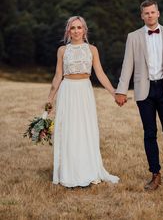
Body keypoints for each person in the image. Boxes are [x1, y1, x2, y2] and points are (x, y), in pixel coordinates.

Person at [115, 0, 163, 193]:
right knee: (150, 134)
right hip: (144, 91)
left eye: (152, 12)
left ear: (158, 13)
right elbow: (127, 64)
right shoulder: (133, 37)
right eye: (146, 13)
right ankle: (155, 175)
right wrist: (121, 90)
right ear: (142, 16)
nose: (149, 15)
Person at [46, 15, 119, 188]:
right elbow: (58, 75)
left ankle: (88, 170)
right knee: (69, 130)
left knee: (85, 130)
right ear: (68, 31)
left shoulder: (92, 49)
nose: (76, 31)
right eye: (73, 28)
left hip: (84, 91)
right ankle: (69, 173)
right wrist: (50, 99)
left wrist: (114, 92)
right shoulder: (62, 51)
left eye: (79, 27)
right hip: (67, 91)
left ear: (84, 30)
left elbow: (100, 73)